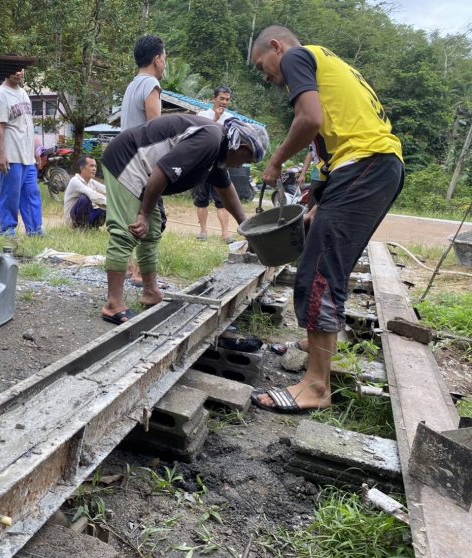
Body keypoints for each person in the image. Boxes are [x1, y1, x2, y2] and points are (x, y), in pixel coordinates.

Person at [249, 26, 404, 413]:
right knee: (330, 263)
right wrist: (320, 201)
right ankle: (317, 345)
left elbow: (310, 119)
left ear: (276, 46)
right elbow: (335, 125)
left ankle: (317, 386)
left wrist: (276, 160)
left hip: (364, 164)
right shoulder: (330, 60)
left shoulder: (298, 57)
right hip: (373, 166)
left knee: (317, 273)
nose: (265, 74)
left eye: (262, 65)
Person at [99, 114, 269, 325]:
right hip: (127, 160)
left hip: (146, 172)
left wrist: (246, 227)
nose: (241, 165)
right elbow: (162, 171)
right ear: (242, 147)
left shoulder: (218, 150)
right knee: (127, 231)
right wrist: (143, 214)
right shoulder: (210, 139)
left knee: (151, 233)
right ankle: (113, 304)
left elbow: (225, 189)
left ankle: (150, 292)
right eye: (247, 160)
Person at [121, 35, 168, 286]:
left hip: (126, 162)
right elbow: (155, 130)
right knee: (152, 218)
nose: (166, 62)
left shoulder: (132, 84)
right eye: (165, 56)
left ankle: (130, 269)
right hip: (143, 164)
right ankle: (141, 274)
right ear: (157, 59)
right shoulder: (151, 84)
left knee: (131, 216)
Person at [0, 68, 44, 237]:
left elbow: (28, 124)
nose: (18, 73)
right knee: (10, 195)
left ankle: (35, 230)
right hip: (10, 154)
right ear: (6, 73)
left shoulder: (23, 93)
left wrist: (35, 150)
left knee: (31, 193)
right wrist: (1, 154)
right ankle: (8, 231)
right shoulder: (1, 95)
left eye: (20, 70)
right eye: (13, 70)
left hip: (27, 155)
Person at [194, 85, 235, 243]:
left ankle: (225, 234)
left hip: (221, 164)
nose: (224, 102)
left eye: (227, 100)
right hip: (203, 163)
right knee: (202, 198)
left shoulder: (231, 118)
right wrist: (216, 119)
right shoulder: (202, 115)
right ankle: (203, 232)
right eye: (221, 99)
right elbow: (201, 136)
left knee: (222, 200)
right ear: (214, 98)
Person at [64, 156, 106, 229]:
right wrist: (111, 205)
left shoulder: (91, 182)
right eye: (91, 166)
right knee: (85, 198)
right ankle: (80, 228)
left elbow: (106, 190)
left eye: (95, 166)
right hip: (72, 220)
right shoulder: (75, 181)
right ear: (82, 168)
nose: (94, 169)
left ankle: (93, 227)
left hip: (88, 216)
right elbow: (92, 195)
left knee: (104, 208)